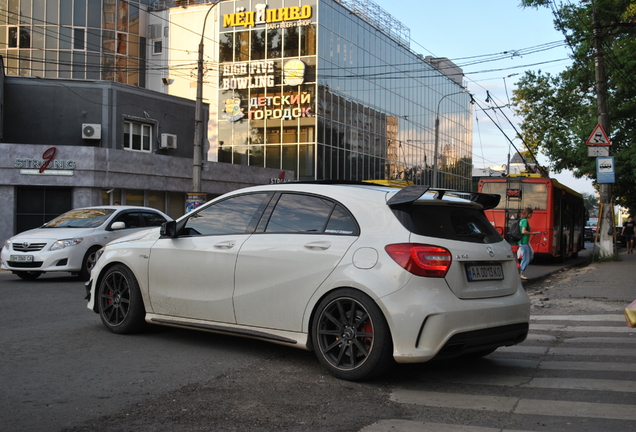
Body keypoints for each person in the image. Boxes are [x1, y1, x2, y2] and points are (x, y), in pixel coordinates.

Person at [518, 207, 539, 280]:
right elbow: (523, 231)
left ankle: (520, 271)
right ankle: (520, 273)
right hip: (523, 242)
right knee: (526, 258)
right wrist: (532, 233)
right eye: (531, 214)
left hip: (525, 242)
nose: (531, 216)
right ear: (528, 214)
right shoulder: (524, 221)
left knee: (530, 256)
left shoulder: (521, 220)